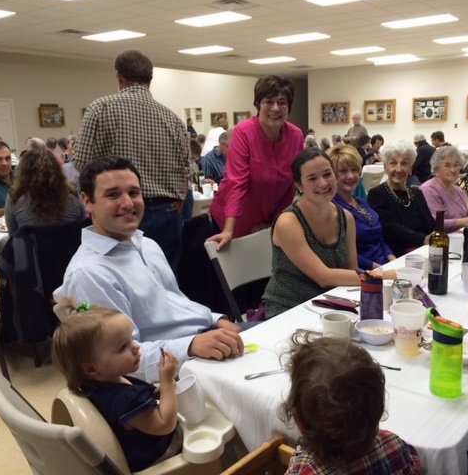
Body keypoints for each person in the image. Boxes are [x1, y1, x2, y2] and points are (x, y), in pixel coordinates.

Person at [53, 156, 245, 382]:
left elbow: (176, 303)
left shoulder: (146, 244)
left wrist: (215, 320)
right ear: (87, 201)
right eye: (113, 195)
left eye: (134, 193)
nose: (127, 203)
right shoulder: (89, 274)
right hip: (175, 370)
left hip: (205, 335)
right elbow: (122, 362)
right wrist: (192, 345)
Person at [72, 50, 190, 278]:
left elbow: (81, 162)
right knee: (164, 282)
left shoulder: (101, 108)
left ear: (119, 77)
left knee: (123, 280)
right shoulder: (172, 117)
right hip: (167, 212)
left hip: (118, 209)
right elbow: (185, 168)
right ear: (150, 79)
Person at [261, 148, 395, 318]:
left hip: (331, 302)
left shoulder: (346, 218)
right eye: (312, 178)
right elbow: (323, 277)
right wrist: (380, 276)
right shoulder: (289, 221)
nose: (323, 183)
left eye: (327, 174)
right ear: (299, 185)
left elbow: (351, 269)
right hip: (289, 308)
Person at [52, 299, 182, 472]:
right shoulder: (126, 400)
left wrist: (157, 394)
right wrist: (166, 382)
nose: (136, 347)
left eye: (131, 339)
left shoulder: (98, 384)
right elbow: (165, 425)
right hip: (162, 456)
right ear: (91, 368)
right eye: (122, 347)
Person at [279, 334, 421, 474]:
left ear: (300, 422)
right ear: (377, 411)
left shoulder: (304, 470)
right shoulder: (395, 446)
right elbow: (414, 468)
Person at [208, 75, 304, 250]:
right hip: (230, 220)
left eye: (282, 102)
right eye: (268, 101)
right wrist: (229, 229)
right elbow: (237, 182)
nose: (275, 108)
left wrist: (274, 222)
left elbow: (291, 185)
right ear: (258, 105)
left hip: (265, 222)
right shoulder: (243, 132)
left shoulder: (296, 136)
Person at [328, 144, 395, 270]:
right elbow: (345, 253)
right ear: (333, 175)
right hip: (362, 273)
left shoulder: (361, 202)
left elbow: (379, 238)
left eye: (354, 170)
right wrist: (378, 268)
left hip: (384, 266)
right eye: (343, 171)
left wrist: (392, 258)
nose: (351, 176)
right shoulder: (333, 209)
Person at [367, 141, 435, 257]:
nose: (398, 169)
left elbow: (431, 223)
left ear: (410, 169)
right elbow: (389, 228)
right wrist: (423, 239)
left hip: (425, 251)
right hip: (398, 254)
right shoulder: (376, 194)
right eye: (393, 163)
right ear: (385, 168)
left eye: (404, 163)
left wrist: (435, 235)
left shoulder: (417, 193)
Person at [4, 148, 86, 236]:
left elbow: (12, 237)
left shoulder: (14, 198)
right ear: (58, 171)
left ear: (23, 173)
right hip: (70, 249)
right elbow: (82, 230)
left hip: (28, 249)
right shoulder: (74, 196)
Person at [420, 146, 468, 232]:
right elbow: (436, 223)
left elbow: (467, 215)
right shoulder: (429, 190)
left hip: (461, 237)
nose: (453, 170)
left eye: (456, 165)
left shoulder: (458, 191)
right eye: (447, 165)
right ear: (436, 170)